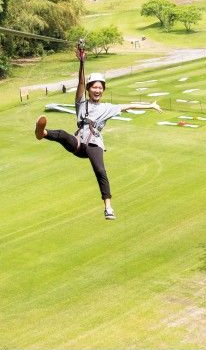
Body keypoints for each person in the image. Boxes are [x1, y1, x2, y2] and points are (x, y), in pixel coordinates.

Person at [34, 43, 162, 220]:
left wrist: (150, 105)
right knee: (63, 135)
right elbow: (80, 81)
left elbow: (129, 105)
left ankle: (108, 207)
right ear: (88, 89)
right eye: (94, 87)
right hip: (79, 142)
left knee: (100, 171)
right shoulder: (81, 103)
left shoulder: (107, 108)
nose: (97, 90)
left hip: (94, 143)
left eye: (100, 87)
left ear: (103, 90)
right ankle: (42, 133)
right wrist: (81, 62)